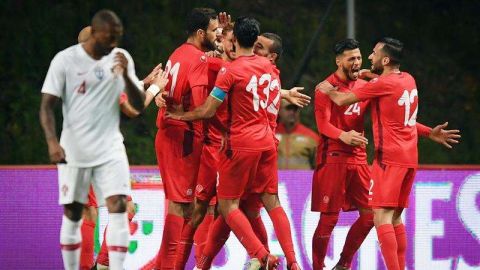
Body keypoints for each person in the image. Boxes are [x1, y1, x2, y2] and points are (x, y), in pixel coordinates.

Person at [167, 17, 302, 270]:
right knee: (259, 205)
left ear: (236, 41)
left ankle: (262, 256)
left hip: (234, 146)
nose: (225, 43)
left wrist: (180, 115)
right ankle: (291, 262)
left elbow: (208, 110)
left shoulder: (229, 71)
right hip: (264, 144)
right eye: (221, 38)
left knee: (229, 208)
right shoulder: (268, 68)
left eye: (230, 39)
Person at [316, 37, 460, 270]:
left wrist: (327, 89)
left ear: (385, 59)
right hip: (410, 159)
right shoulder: (408, 79)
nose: (369, 58)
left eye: (372, 53)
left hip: (389, 160)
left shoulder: (382, 84)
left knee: (380, 217)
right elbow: (403, 120)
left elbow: (342, 99)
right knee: (394, 219)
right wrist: (428, 133)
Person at [39, 9, 144, 270]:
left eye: (116, 38)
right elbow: (46, 106)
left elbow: (137, 106)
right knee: (79, 213)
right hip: (75, 149)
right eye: (109, 38)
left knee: (122, 207)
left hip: (110, 148)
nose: (113, 44)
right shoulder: (64, 62)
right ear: (94, 36)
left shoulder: (117, 62)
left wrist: (129, 79)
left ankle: (109, 266)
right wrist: (52, 142)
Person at [153, 7, 219, 270]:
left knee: (188, 209)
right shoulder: (199, 60)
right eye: (214, 31)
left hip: (171, 135)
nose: (216, 35)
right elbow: (203, 106)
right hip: (184, 139)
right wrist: (190, 115)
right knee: (180, 208)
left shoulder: (178, 53)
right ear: (201, 32)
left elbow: (168, 93)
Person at [276, 100, 320, 170]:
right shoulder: (271, 134)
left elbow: (320, 165)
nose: (292, 112)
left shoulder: (311, 136)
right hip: (278, 180)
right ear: (279, 111)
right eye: (288, 109)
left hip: (302, 179)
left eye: (295, 109)